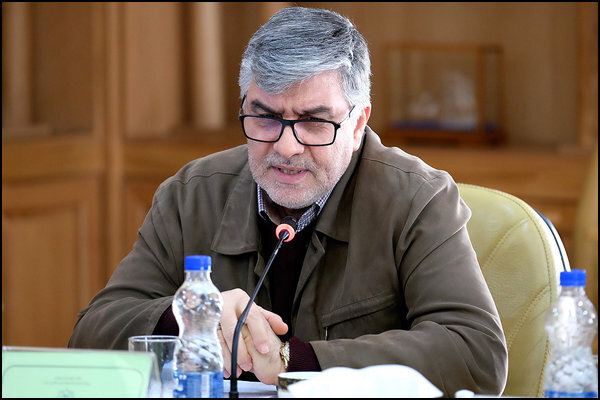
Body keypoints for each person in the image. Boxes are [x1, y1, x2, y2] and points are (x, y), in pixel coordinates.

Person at [69, 6, 508, 396]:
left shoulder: (418, 199)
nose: (286, 147)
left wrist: (293, 362)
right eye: (265, 117)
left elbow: (476, 354)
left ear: (358, 124)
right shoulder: (190, 194)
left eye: (314, 121)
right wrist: (190, 317)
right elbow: (91, 334)